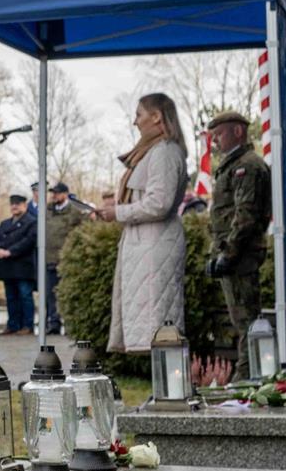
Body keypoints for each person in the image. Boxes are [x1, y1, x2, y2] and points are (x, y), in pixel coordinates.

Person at [94, 93, 189, 356]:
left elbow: (159, 203)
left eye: (139, 114)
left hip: (156, 244)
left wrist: (119, 212)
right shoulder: (153, 152)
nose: (135, 122)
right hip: (145, 244)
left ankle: (169, 390)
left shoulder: (165, 152)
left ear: (156, 116)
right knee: (151, 328)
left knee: (160, 328)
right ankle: (162, 389)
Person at [203, 111, 271, 376]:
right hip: (233, 254)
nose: (216, 142)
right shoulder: (234, 165)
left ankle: (248, 378)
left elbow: (245, 216)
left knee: (247, 322)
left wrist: (228, 255)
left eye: (219, 134)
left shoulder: (247, 166)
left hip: (241, 255)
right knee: (241, 320)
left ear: (238, 132)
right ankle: (250, 375)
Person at [40, 181, 86, 335]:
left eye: (57, 193)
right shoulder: (47, 211)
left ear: (65, 194)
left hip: (67, 260)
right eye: (53, 193)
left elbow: (81, 234)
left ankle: (70, 324)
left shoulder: (74, 212)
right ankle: (54, 323)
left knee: (68, 293)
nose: (54, 195)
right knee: (50, 294)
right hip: (49, 259)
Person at [0, 194, 38, 336]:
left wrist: (10, 251)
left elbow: (28, 241)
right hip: (7, 267)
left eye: (18, 204)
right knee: (11, 297)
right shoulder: (5, 223)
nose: (14, 206)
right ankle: (13, 325)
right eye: (12, 204)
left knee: (25, 295)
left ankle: (27, 325)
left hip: (23, 266)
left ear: (25, 205)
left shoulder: (31, 222)